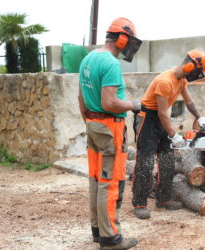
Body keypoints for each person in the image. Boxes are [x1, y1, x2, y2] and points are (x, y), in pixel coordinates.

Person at [78, 17, 142, 250]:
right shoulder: (111, 64)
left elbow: (81, 98)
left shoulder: (88, 58)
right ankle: (111, 238)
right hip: (109, 127)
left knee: (96, 179)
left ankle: (98, 230)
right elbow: (110, 102)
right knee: (111, 181)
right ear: (123, 39)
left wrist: (89, 121)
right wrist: (133, 104)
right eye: (130, 41)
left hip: (93, 125)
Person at [132, 50, 205, 220]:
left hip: (161, 118)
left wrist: (200, 117)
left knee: (167, 160)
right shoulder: (165, 81)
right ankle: (139, 203)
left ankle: (164, 198)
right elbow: (161, 112)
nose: (196, 75)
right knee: (145, 161)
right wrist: (174, 135)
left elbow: (189, 102)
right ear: (190, 66)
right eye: (196, 71)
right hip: (148, 119)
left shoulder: (181, 80)